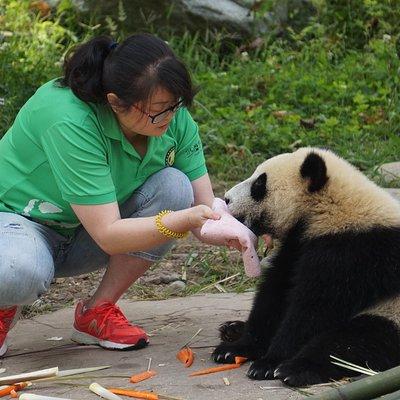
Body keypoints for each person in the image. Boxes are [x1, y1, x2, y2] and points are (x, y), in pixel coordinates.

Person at [0, 33, 222, 356]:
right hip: (19, 223)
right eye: (159, 111)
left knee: (175, 187)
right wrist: (182, 220)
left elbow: (205, 206)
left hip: (80, 230)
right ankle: (4, 303)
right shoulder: (68, 118)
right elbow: (108, 235)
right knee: (19, 271)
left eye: (175, 105)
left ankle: (96, 311)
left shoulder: (170, 114)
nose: (171, 117)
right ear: (116, 102)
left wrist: (237, 230)